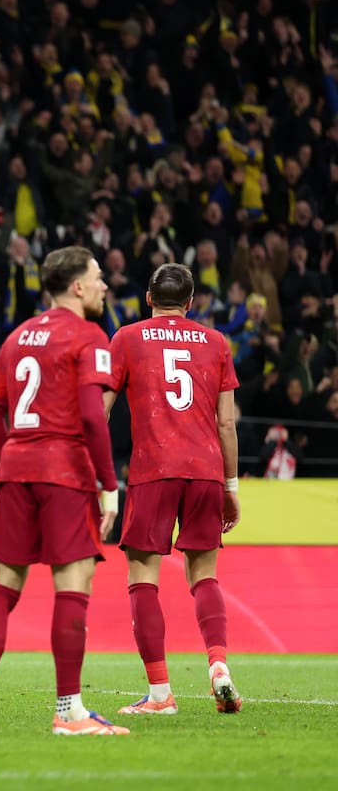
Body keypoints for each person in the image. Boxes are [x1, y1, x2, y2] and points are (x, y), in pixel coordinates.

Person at [0, 246, 128, 736]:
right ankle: (70, 712)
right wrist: (109, 486)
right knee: (72, 588)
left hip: (16, 469)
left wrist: (9, 457)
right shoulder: (89, 335)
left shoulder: (16, 337)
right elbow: (94, 415)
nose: (103, 285)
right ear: (76, 286)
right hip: (64, 471)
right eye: (97, 277)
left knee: (3, 585)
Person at [104, 263, 242, 716]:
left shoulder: (126, 337)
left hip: (152, 469)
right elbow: (226, 423)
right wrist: (231, 485)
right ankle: (218, 666)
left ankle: (161, 694)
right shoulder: (217, 343)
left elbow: (100, 410)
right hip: (205, 469)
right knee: (204, 573)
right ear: (191, 302)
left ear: (148, 298)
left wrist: (95, 472)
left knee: (143, 577)